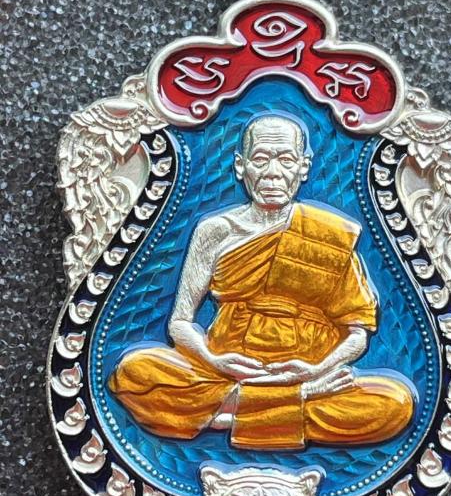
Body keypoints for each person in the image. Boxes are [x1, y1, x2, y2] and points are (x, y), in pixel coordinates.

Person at [109, 114, 414, 449]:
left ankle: (230, 415)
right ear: (241, 166)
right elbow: (180, 322)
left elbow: (357, 332)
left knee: (394, 402)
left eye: (286, 160)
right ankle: (291, 403)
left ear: (304, 168)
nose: (273, 172)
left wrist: (315, 371)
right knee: (135, 371)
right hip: (228, 369)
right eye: (260, 159)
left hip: (307, 368)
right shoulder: (216, 230)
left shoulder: (329, 234)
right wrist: (213, 360)